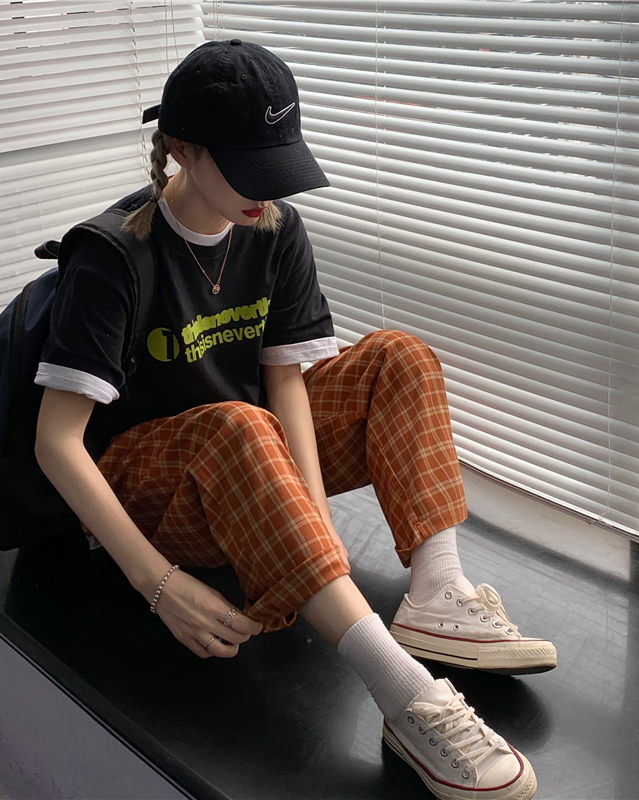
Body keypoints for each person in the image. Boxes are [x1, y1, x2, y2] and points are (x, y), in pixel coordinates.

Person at [34, 39, 555, 800]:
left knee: (397, 355)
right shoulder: (113, 256)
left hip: (247, 460)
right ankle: (404, 692)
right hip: (150, 486)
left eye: (277, 161)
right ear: (182, 149)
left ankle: (437, 592)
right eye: (249, 165)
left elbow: (285, 381)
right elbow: (55, 442)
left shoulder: (273, 229)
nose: (269, 189)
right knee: (239, 425)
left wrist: (311, 526)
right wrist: (157, 584)